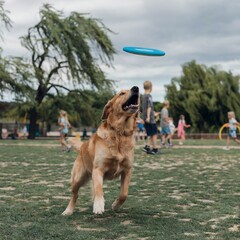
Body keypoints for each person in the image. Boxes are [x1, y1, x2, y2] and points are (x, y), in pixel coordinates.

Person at [141, 80, 160, 155]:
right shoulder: (149, 96)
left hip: (145, 118)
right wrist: (149, 117)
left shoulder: (143, 96)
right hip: (150, 119)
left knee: (150, 133)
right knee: (154, 134)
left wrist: (153, 113)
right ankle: (155, 149)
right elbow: (149, 107)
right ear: (150, 87)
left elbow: (145, 108)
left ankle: (147, 147)